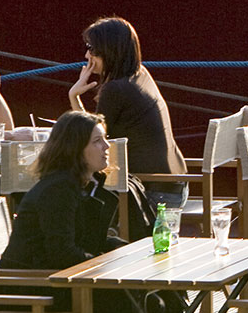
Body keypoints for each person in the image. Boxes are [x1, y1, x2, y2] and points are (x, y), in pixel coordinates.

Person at [1, 111, 207, 313]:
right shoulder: (58, 190)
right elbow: (61, 252)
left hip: (64, 280)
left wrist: (129, 252)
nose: (107, 146)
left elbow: (89, 240)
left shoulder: (83, 184)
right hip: (36, 290)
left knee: (161, 299)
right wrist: (109, 265)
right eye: (98, 141)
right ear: (76, 148)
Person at [67, 16, 187, 195]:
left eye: (92, 49)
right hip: (174, 183)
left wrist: (73, 95)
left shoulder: (116, 89)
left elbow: (91, 138)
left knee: (73, 189)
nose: (87, 56)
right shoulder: (140, 74)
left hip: (152, 192)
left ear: (109, 50)